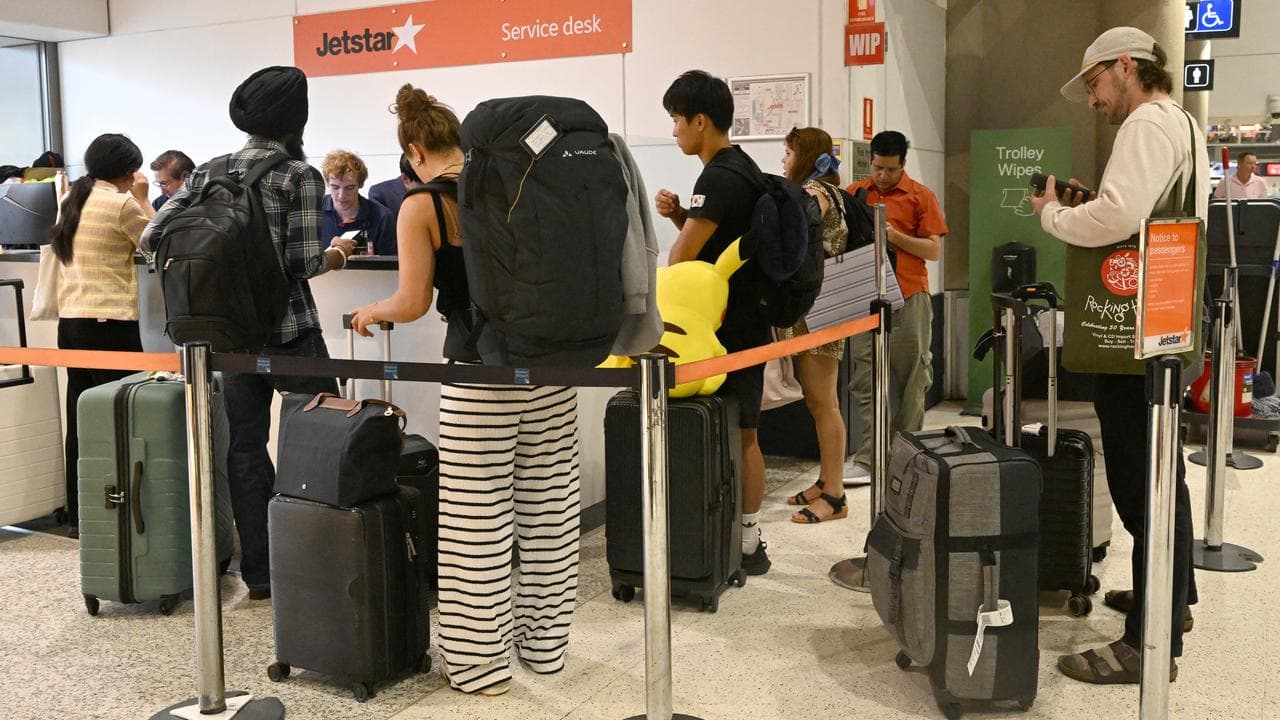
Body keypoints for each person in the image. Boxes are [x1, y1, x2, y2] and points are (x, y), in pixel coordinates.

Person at [349, 84, 581, 697]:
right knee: (549, 511)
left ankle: (481, 669)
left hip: (480, 372)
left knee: (476, 522)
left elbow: (413, 302)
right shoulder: (519, 183)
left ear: (416, 149)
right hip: (553, 369)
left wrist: (370, 311)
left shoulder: (423, 204)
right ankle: (547, 650)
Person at [1031, 26, 1207, 684]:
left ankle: (1147, 642)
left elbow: (1116, 219)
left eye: (1095, 83)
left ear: (1126, 66)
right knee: (1165, 478)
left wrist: (1052, 213)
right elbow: (1137, 210)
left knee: (1141, 486)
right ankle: (1173, 598)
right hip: (1165, 321)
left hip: (1130, 339)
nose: (1091, 100)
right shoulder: (1181, 123)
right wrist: (1097, 203)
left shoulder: (1141, 127)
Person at [143, 65, 355, 600]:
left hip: (229, 338)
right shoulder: (298, 175)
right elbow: (304, 262)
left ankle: (259, 573)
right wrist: (340, 253)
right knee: (324, 438)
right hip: (290, 331)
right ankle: (319, 560)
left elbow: (151, 237)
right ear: (296, 118)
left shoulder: (208, 171)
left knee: (245, 448)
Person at [654, 69, 772, 574]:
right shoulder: (742, 166)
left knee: (742, 432)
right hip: (745, 320)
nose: (675, 130)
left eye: (677, 120)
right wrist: (683, 213)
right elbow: (719, 251)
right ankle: (740, 536)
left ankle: (746, 542)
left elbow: (683, 261)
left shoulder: (718, 175)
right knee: (739, 429)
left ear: (700, 121)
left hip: (728, 329)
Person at [48, 134, 155, 538]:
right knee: (120, 416)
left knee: (81, 415)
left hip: (71, 322)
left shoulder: (72, 198)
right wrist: (144, 198)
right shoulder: (122, 202)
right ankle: (121, 509)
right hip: (110, 324)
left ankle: (80, 512)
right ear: (128, 172)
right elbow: (157, 245)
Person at [844, 131, 947, 482]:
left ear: (903, 164)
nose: (882, 175)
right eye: (877, 168)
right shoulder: (856, 194)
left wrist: (893, 236)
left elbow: (933, 251)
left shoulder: (921, 196)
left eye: (890, 169)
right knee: (864, 378)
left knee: (912, 377)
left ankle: (907, 454)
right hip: (864, 298)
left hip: (909, 295)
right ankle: (869, 457)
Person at [776, 127, 850, 524]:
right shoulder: (827, 191)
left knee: (825, 404)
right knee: (819, 402)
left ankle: (836, 496)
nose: (783, 161)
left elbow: (794, 239)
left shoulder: (817, 195)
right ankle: (826, 480)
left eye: (787, 153)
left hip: (819, 312)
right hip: (818, 311)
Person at [320, 149, 395, 256]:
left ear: (360, 184)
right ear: (327, 184)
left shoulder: (382, 217)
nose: (341, 195)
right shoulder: (313, 212)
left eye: (350, 188)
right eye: (335, 187)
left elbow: (387, 268)